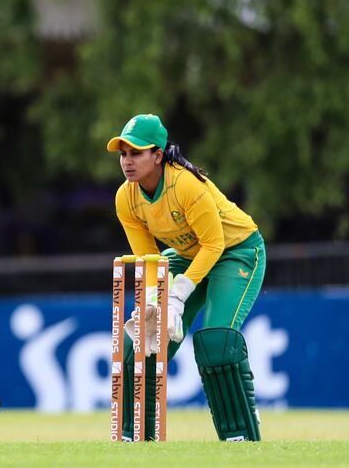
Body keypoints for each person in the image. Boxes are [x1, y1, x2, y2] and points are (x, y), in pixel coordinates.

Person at [108, 114, 265, 441]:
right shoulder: (126, 198)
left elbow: (214, 244)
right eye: (123, 153)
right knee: (141, 342)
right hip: (185, 256)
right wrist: (153, 300)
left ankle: (241, 432)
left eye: (136, 153)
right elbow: (148, 258)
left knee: (216, 341)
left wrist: (178, 294)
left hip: (236, 252)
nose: (127, 161)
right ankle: (135, 436)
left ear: (158, 155)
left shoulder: (185, 185)